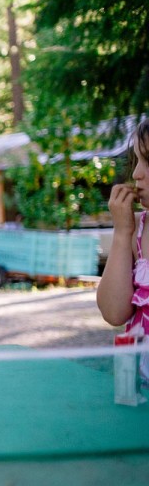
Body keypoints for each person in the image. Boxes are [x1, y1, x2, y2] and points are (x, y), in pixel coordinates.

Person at [97, 116, 149, 390]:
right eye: (138, 160)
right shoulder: (137, 230)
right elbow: (113, 313)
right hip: (139, 388)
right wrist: (122, 233)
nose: (137, 173)